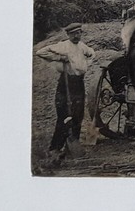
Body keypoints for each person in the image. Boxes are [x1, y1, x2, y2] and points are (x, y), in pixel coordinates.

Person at [35, 23, 95, 155]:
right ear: (68, 35)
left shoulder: (82, 46)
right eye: (73, 34)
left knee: (77, 114)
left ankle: (73, 144)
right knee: (64, 115)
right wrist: (59, 57)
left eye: (78, 33)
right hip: (65, 83)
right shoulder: (63, 46)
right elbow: (40, 52)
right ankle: (55, 147)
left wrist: (85, 64)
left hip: (79, 83)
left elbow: (92, 53)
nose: (76, 36)